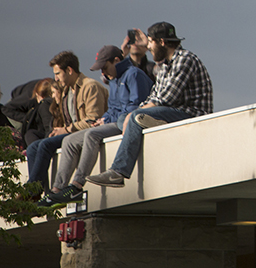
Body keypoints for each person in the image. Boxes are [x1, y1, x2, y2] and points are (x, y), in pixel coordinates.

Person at [86, 22, 213, 188]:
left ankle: (118, 172)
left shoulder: (185, 60)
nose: (148, 46)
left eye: (150, 42)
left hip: (191, 115)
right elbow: (154, 95)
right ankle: (152, 122)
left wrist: (135, 114)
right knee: (124, 117)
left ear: (161, 42)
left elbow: (166, 98)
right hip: (171, 111)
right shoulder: (164, 64)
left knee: (134, 117)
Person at [39, 45, 154, 207]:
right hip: (116, 121)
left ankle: (76, 186)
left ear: (116, 61)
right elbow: (113, 108)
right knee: (69, 141)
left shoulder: (134, 74)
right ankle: (57, 190)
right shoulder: (114, 79)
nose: (103, 74)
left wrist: (107, 120)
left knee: (91, 135)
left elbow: (136, 107)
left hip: (127, 124)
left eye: (105, 68)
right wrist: (104, 119)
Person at [24, 52, 108, 192]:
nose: (55, 78)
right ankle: (37, 193)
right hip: (70, 134)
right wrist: (58, 130)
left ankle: (32, 191)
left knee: (45, 145)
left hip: (82, 134)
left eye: (58, 73)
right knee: (33, 148)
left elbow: (93, 122)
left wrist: (66, 130)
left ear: (69, 70)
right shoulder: (66, 91)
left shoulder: (90, 87)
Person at [19, 79, 56, 146]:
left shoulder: (44, 105)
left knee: (30, 134)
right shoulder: (53, 104)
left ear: (37, 94)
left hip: (45, 142)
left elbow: (48, 127)